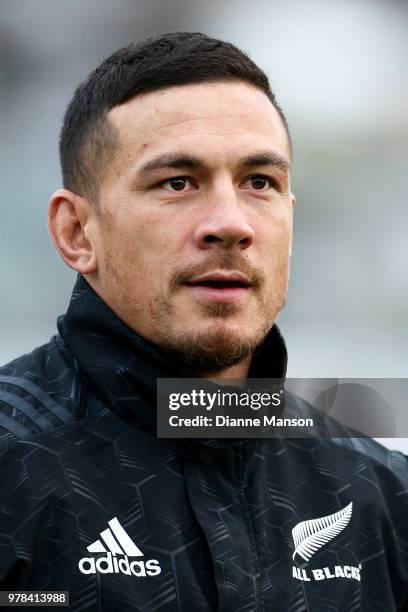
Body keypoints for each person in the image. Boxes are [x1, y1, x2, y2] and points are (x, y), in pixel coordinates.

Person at [0, 31, 407, 612]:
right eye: (177, 182)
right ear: (75, 232)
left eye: (259, 182)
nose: (230, 223)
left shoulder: (380, 494)